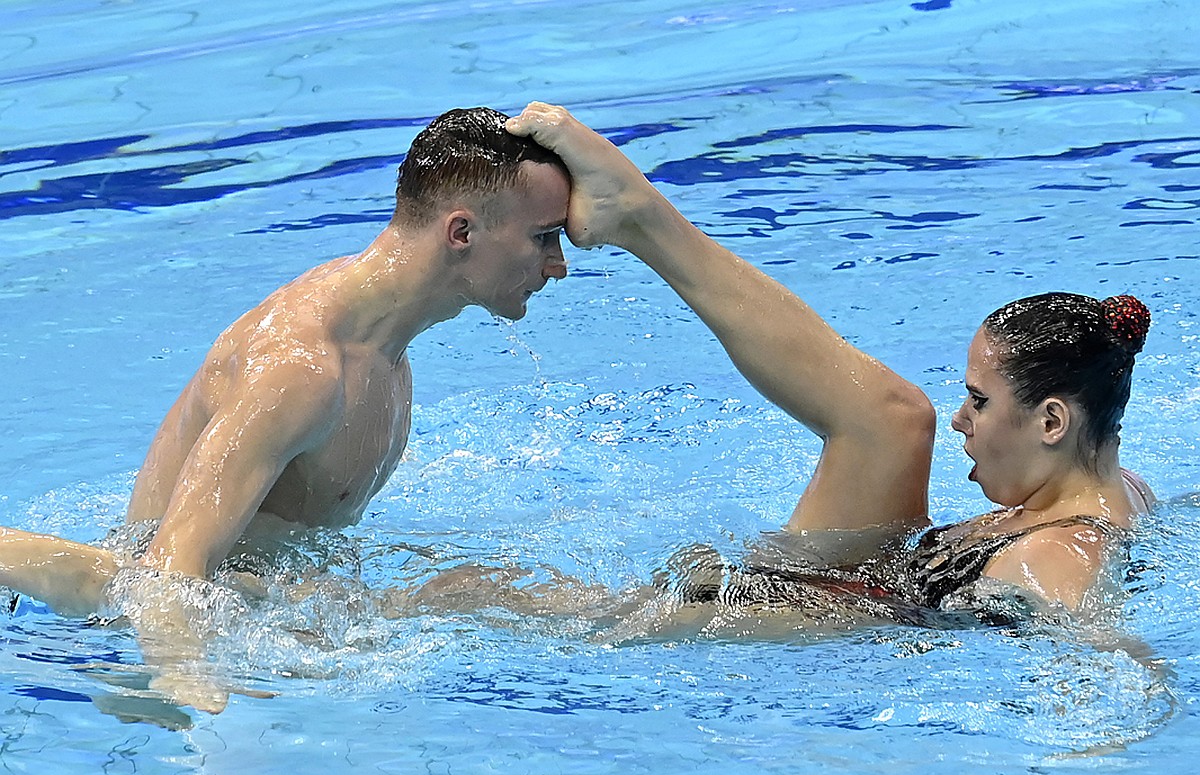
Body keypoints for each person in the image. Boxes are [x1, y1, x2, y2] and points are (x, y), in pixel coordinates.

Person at [0, 106, 570, 710]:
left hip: (266, 593)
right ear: (461, 233)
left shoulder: (380, 344)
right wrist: (186, 682)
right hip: (143, 627)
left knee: (481, 593)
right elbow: (167, 577)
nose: (558, 265)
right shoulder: (302, 370)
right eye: (543, 237)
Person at [502, 102, 1154, 627]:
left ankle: (641, 215)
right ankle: (638, 215)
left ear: (1051, 422)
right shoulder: (1116, 488)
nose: (964, 420)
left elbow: (1093, 648)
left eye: (980, 401)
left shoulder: (1063, 552)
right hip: (853, 579)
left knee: (526, 607)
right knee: (897, 419)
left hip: (812, 617)